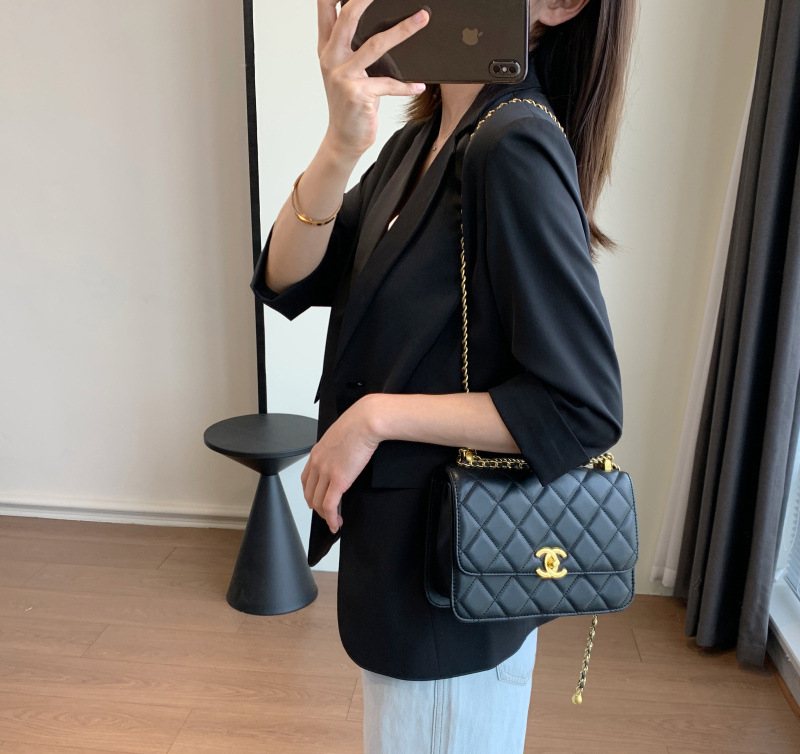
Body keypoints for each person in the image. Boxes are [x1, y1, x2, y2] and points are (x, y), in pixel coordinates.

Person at [250, 0, 636, 751]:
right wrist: (339, 145)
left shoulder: (512, 143)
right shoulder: (422, 142)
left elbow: (580, 406)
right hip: (407, 567)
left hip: (448, 587)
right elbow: (287, 276)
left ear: (559, 5)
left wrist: (376, 418)